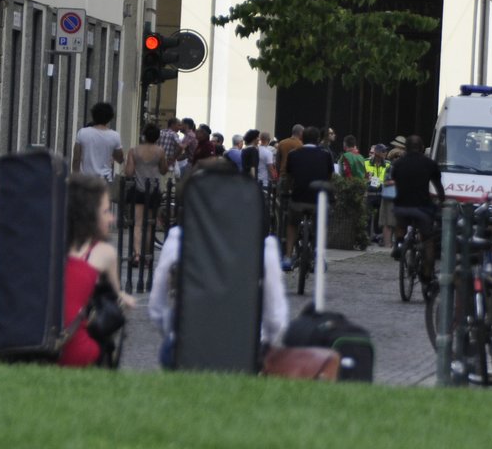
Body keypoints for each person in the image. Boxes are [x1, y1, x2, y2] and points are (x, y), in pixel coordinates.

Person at [147, 160, 289, 368]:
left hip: (187, 347)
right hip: (246, 350)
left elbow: (156, 308)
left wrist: (174, 332)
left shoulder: (178, 239)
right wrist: (263, 343)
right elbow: (276, 320)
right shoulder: (263, 247)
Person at [61, 173, 137, 368]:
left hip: (41, 350)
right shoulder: (104, 253)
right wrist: (124, 297)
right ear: (89, 215)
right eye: (106, 211)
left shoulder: (50, 248)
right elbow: (114, 298)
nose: (112, 218)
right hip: (76, 351)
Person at [390, 134, 447, 281]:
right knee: (428, 240)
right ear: (422, 148)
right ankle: (427, 274)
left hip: (401, 207)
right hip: (422, 208)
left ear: (406, 149)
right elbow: (438, 187)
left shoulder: (398, 164)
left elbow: (396, 180)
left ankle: (400, 243)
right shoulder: (429, 164)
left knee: (400, 223)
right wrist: (441, 201)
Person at [282, 125, 335, 263]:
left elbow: (289, 177)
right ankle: (319, 251)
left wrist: (287, 191)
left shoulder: (293, 154)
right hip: (319, 200)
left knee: (292, 223)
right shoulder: (326, 154)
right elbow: (329, 176)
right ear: (318, 139)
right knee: (322, 223)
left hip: (298, 198)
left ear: (302, 138)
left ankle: (288, 256)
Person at [125, 122, 167, 265]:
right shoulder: (160, 151)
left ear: (143, 135)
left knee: (137, 224)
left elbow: (129, 172)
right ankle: (147, 256)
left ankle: (136, 254)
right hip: (153, 189)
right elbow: (163, 170)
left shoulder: (134, 150)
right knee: (149, 225)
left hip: (138, 189)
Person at [72, 102, 124, 183]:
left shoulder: (82, 133)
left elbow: (76, 159)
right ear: (110, 117)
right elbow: (120, 159)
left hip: (85, 180)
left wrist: (75, 177)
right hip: (104, 180)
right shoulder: (115, 136)